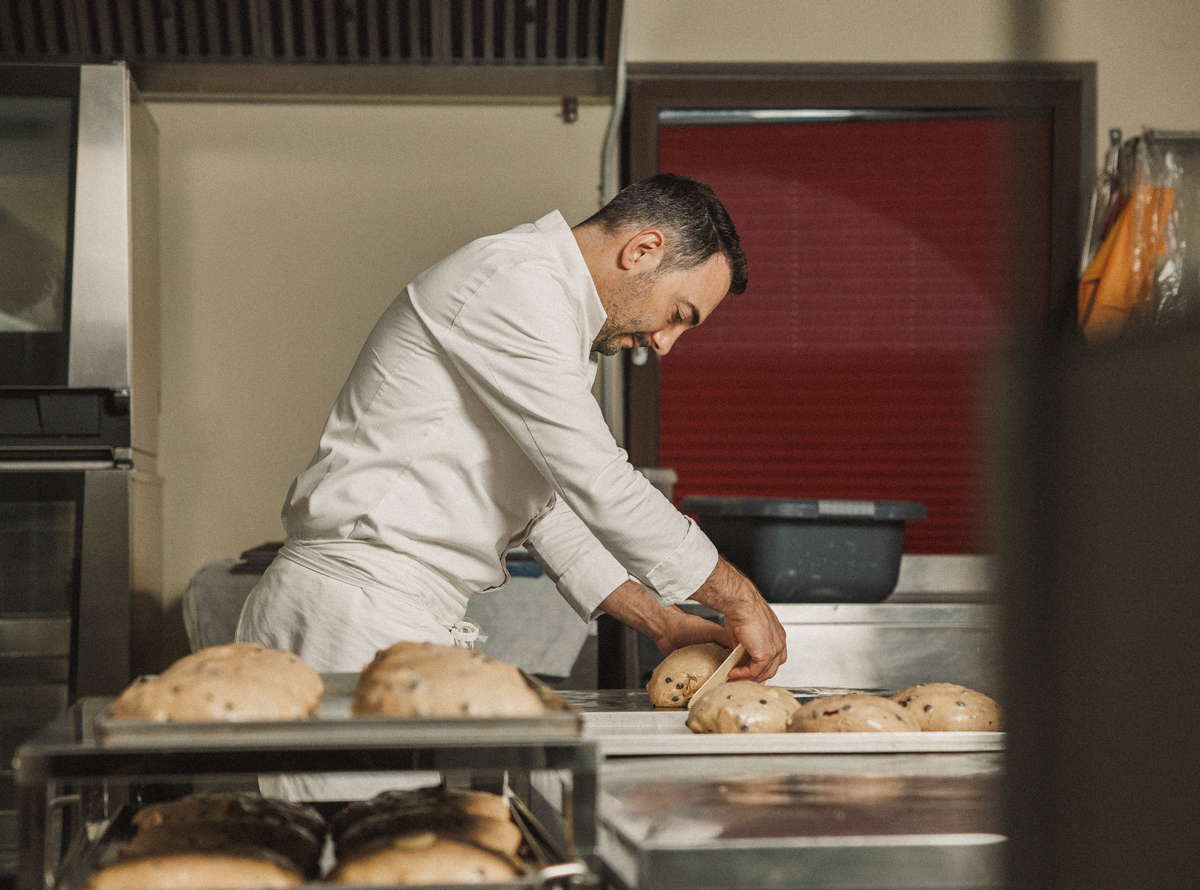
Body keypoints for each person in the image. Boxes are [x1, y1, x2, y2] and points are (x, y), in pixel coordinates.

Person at [236, 172, 787, 689]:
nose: (665, 343)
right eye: (679, 313)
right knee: (355, 798)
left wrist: (662, 622)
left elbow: (547, 505)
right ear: (642, 250)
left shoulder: (547, 306)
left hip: (382, 609)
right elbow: (598, 482)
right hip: (355, 612)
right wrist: (740, 598)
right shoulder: (514, 282)